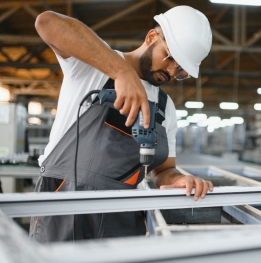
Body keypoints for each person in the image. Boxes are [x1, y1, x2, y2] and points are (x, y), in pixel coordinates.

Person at [29, 5, 214, 243]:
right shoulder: (93, 64)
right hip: (63, 203)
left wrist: (178, 179)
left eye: (180, 70)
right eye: (170, 57)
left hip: (122, 217)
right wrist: (121, 72)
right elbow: (46, 22)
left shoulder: (165, 107)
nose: (170, 71)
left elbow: (163, 171)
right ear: (151, 37)